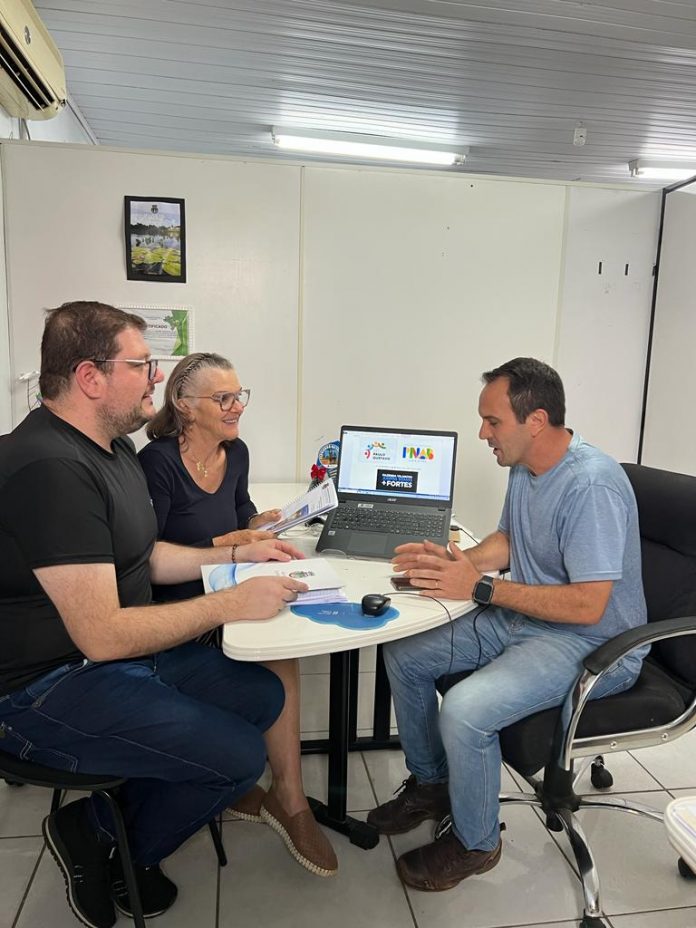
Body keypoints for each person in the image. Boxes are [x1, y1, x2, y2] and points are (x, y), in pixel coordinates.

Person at [0, 302, 309, 928]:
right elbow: (103, 634)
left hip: (107, 661)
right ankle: (114, 844)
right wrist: (230, 601)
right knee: (239, 757)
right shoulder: (50, 467)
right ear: (91, 377)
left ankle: (101, 823)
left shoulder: (111, 448)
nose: (157, 376)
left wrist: (237, 553)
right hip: (44, 687)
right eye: (142, 364)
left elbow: (145, 556)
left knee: (262, 696)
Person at [367, 357, 648, 892]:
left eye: (492, 421)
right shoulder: (525, 467)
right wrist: (457, 563)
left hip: (594, 643)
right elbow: (510, 540)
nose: (483, 433)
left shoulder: (592, 486)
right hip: (529, 618)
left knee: (466, 711)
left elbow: (589, 605)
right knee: (404, 654)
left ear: (535, 420)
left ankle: (477, 844)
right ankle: (433, 785)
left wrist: (479, 587)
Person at [138, 353, 338, 877]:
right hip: (179, 606)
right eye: (223, 398)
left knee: (281, 636)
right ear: (184, 405)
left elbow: (238, 511)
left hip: (231, 583)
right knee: (274, 653)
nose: (236, 407)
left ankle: (287, 796)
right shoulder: (158, 462)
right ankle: (270, 791)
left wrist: (263, 522)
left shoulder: (236, 452)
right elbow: (148, 555)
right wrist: (229, 542)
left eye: (238, 396)